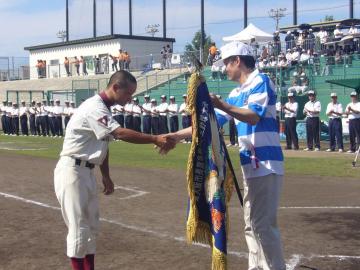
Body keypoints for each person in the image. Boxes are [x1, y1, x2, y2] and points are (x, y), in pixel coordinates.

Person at [166, 41, 286, 270]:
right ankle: (257, 267)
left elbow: (253, 116)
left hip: (267, 163)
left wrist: (222, 104)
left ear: (237, 61)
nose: (225, 69)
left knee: (262, 224)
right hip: (251, 165)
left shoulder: (261, 81)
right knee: (251, 224)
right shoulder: (236, 93)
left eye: (227, 64)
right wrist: (175, 135)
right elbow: (210, 121)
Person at [54, 70, 174, 270]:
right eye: (128, 93)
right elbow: (118, 133)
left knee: (92, 225)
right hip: (72, 171)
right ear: (116, 87)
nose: (130, 98)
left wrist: (106, 176)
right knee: (78, 227)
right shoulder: (94, 107)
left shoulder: (103, 108)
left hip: (85, 171)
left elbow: (104, 143)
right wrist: (154, 138)